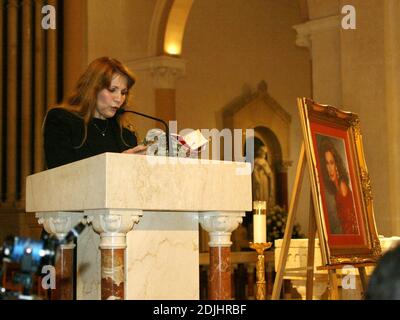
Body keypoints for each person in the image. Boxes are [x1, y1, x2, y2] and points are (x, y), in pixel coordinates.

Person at [43, 57, 146, 169]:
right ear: (93, 89)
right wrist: (117, 162)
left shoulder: (126, 134)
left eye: (123, 92)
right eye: (112, 90)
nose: (119, 98)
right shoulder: (61, 120)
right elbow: (61, 171)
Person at [319, 137, 358, 234]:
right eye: (326, 163)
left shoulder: (342, 185)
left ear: (337, 164)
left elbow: (350, 222)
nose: (329, 168)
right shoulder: (336, 190)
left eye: (332, 163)